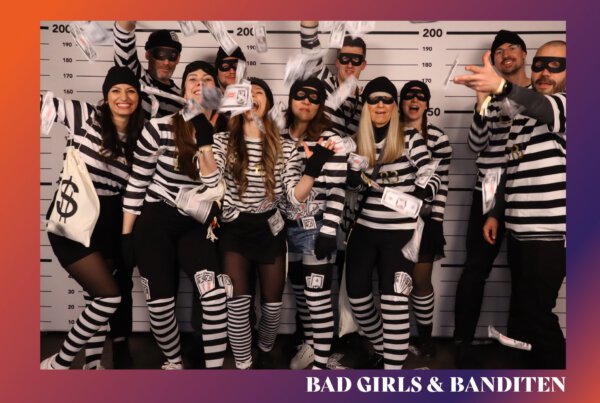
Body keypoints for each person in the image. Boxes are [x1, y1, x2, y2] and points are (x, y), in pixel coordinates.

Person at [196, 77, 335, 369]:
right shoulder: (222, 141)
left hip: (270, 230)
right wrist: (205, 143)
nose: (251, 97)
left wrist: (312, 168)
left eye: (258, 92)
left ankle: (264, 348)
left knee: (272, 308)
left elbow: (293, 199)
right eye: (245, 93)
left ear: (268, 103)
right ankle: (244, 366)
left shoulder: (284, 146)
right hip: (234, 230)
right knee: (237, 306)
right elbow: (210, 181)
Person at [456, 40, 566, 368]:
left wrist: (501, 87)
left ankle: (567, 381)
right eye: (540, 65)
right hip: (516, 225)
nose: (544, 72)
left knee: (536, 313)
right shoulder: (519, 116)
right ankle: (524, 374)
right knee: (521, 309)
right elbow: (504, 164)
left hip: (549, 232)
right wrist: (495, 212)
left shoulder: (565, 103)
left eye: (556, 66)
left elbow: (544, 107)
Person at [121, 61, 228, 370]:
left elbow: (213, 183)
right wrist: (127, 236)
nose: (199, 83)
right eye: (192, 78)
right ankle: (174, 361)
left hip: (197, 223)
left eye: (207, 79)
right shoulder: (158, 127)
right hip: (156, 219)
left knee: (214, 297)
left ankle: (214, 376)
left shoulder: (225, 134)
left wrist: (205, 139)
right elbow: (137, 183)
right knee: (160, 304)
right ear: (183, 90)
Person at [40, 66, 144, 369]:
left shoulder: (141, 137)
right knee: (109, 298)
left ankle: (93, 365)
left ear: (138, 97)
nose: (124, 97)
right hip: (71, 220)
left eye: (131, 91)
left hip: (109, 223)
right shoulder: (84, 116)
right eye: (116, 90)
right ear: (106, 95)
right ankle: (58, 364)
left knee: (96, 299)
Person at [345, 77, 442, 369]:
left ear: (394, 106)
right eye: (374, 99)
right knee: (357, 298)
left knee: (395, 302)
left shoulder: (409, 137)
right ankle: (382, 349)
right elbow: (347, 188)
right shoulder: (354, 141)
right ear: (365, 106)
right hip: (363, 230)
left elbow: (432, 173)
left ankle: (392, 374)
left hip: (400, 233)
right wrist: (351, 180)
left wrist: (423, 192)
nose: (381, 105)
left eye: (387, 99)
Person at [452, 30, 532, 365]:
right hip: (488, 189)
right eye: (499, 51)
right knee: (475, 269)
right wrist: (481, 102)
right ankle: (461, 343)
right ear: (494, 60)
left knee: (526, 274)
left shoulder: (541, 95)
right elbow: (475, 145)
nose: (506, 53)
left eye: (512, 47)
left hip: (528, 191)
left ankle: (520, 344)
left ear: (524, 54)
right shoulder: (490, 98)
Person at [283, 77, 347, 369]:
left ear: (321, 105)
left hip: (316, 227)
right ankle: (311, 345)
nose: (306, 102)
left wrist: (329, 231)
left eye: (314, 98)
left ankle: (321, 366)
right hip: (284, 227)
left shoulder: (330, 139)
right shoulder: (279, 134)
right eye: (300, 95)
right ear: (290, 99)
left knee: (317, 297)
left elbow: (337, 189)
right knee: (300, 293)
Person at [398, 81, 452, 358]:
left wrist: (436, 221)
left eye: (420, 96)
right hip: (391, 218)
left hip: (425, 219)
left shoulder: (438, 138)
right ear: (401, 102)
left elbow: (441, 184)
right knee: (393, 282)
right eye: (408, 96)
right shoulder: (390, 133)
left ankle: (426, 337)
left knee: (420, 281)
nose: (414, 100)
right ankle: (394, 339)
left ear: (428, 103)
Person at [300, 21, 367, 139]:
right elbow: (309, 42)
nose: (350, 65)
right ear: (337, 62)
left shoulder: (366, 100)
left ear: (363, 65)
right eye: (345, 58)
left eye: (356, 60)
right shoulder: (322, 81)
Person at [113, 21, 183, 119]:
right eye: (160, 54)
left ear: (178, 59)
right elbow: (123, 34)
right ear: (147, 55)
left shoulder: (182, 98)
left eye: (172, 56)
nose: (166, 62)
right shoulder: (134, 77)